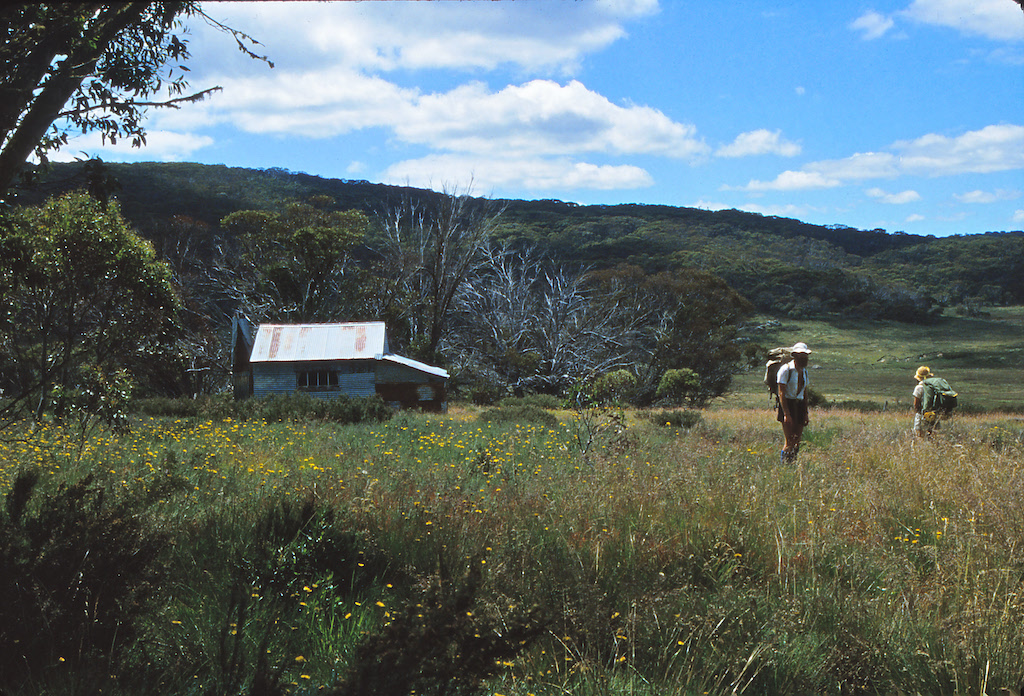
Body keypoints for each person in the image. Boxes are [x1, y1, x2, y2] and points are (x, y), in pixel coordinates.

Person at [776, 342, 812, 463]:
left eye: (805, 356)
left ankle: (793, 463)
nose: (803, 358)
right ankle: (784, 465)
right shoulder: (785, 370)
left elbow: (805, 392)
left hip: (800, 405)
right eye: (801, 356)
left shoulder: (805, 372)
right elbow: (782, 393)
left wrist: (806, 412)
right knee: (789, 440)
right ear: (795, 356)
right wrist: (786, 413)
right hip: (788, 405)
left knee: (797, 440)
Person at [912, 365, 938, 437]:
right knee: (933, 436)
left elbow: (916, 404)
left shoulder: (919, 388)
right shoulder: (934, 387)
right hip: (933, 414)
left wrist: (920, 414)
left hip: (922, 414)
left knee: (919, 435)